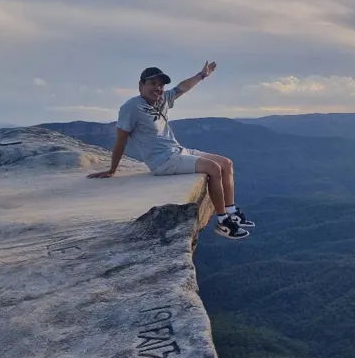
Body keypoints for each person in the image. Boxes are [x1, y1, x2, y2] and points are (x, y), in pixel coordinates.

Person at [87, 62, 253, 240]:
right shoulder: (131, 108)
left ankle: (232, 211)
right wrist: (112, 170)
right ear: (141, 85)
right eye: (152, 84)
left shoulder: (163, 99)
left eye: (160, 84)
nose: (157, 88)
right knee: (213, 168)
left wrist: (202, 75)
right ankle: (223, 222)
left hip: (178, 151)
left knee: (226, 163)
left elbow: (182, 88)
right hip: (163, 161)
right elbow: (121, 140)